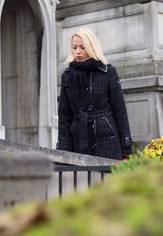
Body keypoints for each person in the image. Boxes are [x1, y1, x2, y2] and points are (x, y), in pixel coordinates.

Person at [57, 27, 133, 160]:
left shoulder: (108, 72)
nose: (78, 52)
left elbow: (120, 111)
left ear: (91, 47)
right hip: (78, 140)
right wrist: (64, 149)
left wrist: (126, 147)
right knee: (82, 180)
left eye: (82, 47)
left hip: (107, 140)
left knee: (108, 180)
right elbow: (64, 116)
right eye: (74, 48)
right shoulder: (67, 76)